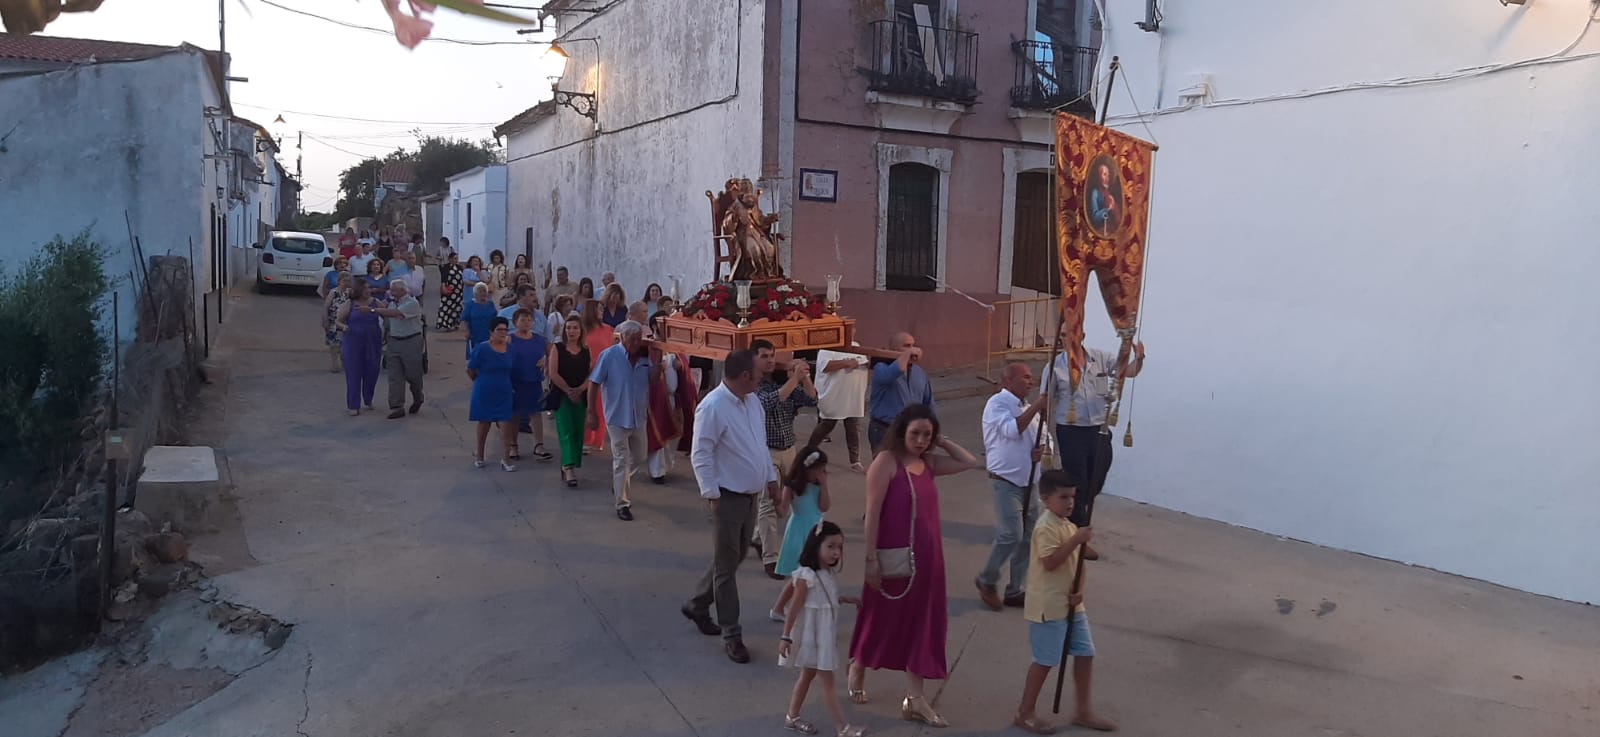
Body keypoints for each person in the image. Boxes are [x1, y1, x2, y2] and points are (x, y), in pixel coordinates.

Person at [847, 404, 978, 728]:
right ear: (901, 431)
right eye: (915, 433)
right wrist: (870, 560)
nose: (920, 440)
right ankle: (859, 663)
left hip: (929, 558)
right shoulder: (886, 462)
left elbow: (969, 462)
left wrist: (943, 441)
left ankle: (915, 699)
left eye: (926, 435)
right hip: (893, 557)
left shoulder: (928, 462)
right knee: (882, 617)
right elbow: (872, 513)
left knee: (922, 623)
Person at [683, 349, 777, 664]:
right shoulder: (712, 406)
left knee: (734, 558)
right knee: (726, 567)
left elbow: (759, 446)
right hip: (726, 496)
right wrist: (711, 494)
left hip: (750, 495)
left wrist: (772, 479)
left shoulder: (753, 402)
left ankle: (697, 603)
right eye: (758, 371)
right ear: (744, 376)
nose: (764, 373)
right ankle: (732, 634)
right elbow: (701, 453)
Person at [1012, 470, 1117, 734]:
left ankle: (1083, 711)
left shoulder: (1068, 525)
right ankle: (1024, 712)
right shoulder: (1046, 526)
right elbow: (1051, 562)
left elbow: (1080, 559)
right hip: (1050, 605)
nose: (1070, 502)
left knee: (1085, 654)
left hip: (1072, 605)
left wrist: (1080, 587)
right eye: (1063, 497)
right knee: (1045, 660)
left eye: (1072, 496)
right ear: (1046, 499)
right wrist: (1076, 540)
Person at [1049, 332, 1145, 560]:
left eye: (1070, 333)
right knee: (1078, 484)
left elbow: (1127, 372)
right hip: (1072, 432)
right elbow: (1048, 401)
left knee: (1095, 482)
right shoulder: (1055, 368)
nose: (1066, 338)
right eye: (1062, 335)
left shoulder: (1100, 358)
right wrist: (1045, 438)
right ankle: (1077, 540)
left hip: (1098, 431)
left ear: (1081, 334)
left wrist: (1138, 359)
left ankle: (1070, 525)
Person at [778, 520, 866, 737]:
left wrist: (845, 599)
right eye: (831, 546)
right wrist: (786, 636)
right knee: (827, 682)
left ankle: (792, 716)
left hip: (822, 635)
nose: (836, 552)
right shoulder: (806, 575)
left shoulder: (827, 573)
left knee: (807, 676)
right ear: (816, 545)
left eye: (839, 547)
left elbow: (826, 599)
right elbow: (795, 607)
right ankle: (842, 728)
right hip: (814, 637)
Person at [976, 361, 1051, 611]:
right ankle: (987, 579)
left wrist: (1042, 451)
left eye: (1032, 377)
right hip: (1006, 482)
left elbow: (1046, 438)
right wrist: (1038, 407)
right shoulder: (997, 405)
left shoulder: (1028, 408)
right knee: (1011, 534)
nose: (1031, 381)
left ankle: (1015, 589)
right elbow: (1011, 430)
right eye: (1026, 377)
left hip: (1029, 481)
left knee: (1027, 538)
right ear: (1008, 381)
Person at [754, 342, 818, 579]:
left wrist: (805, 377)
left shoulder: (784, 383)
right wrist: (794, 379)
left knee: (795, 499)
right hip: (766, 452)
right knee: (769, 504)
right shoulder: (754, 386)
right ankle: (771, 558)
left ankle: (757, 537)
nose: (770, 360)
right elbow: (770, 401)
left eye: (772, 356)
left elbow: (812, 400)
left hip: (789, 450)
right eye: (764, 356)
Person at [587, 320, 660, 522]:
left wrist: (658, 361)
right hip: (617, 416)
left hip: (638, 416)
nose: (636, 343)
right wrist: (591, 411)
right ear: (622, 337)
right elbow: (594, 383)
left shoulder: (645, 357)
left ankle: (620, 482)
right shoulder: (609, 355)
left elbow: (653, 380)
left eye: (639, 339)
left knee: (639, 456)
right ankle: (622, 503)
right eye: (632, 339)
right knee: (621, 459)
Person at [768, 447, 830, 620]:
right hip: (799, 530)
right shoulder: (793, 485)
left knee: (807, 575)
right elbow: (782, 511)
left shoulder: (819, 484)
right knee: (802, 575)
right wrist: (775, 500)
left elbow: (824, 506)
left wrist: (824, 484)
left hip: (817, 530)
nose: (822, 473)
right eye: (819, 469)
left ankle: (782, 608)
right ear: (808, 468)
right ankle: (782, 609)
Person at [645, 313, 696, 483]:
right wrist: (659, 368)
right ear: (654, 327)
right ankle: (657, 471)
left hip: (674, 398)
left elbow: (685, 368)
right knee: (659, 431)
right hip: (657, 399)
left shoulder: (674, 345)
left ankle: (666, 465)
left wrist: (680, 366)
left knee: (674, 434)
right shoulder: (650, 345)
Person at [807, 345, 870, 473]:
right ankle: (808, 452)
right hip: (835, 395)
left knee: (853, 427)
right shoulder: (828, 349)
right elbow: (824, 366)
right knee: (827, 425)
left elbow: (865, 364)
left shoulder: (856, 347)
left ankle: (855, 461)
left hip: (852, 396)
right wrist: (847, 363)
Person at [868, 332, 935, 452]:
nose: (913, 349)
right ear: (893, 349)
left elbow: (928, 403)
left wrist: (933, 428)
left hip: (912, 430)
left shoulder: (919, 373)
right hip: (885, 429)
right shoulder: (881, 368)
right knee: (886, 469)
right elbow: (893, 373)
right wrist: (907, 354)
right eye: (907, 346)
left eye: (913, 345)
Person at [468, 317, 518, 471]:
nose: (503, 333)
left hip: (504, 389)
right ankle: (480, 455)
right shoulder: (482, 348)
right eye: (499, 330)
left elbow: (513, 368)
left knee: (506, 423)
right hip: (484, 388)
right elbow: (471, 369)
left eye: (505, 330)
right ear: (491, 332)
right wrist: (479, 380)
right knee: (484, 423)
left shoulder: (510, 349)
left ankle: (506, 458)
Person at [371, 280, 426, 420]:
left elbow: (395, 314)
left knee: (413, 375)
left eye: (394, 290)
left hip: (411, 341)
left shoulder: (412, 303)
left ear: (403, 291)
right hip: (394, 341)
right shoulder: (391, 303)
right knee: (395, 376)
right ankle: (397, 406)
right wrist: (384, 336)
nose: (391, 292)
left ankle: (418, 396)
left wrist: (373, 310)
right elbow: (388, 322)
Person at [548, 314, 590, 487]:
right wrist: (568, 391)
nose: (572, 331)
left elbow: (591, 373)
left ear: (581, 331)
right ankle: (568, 466)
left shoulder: (586, 350)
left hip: (581, 394)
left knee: (578, 430)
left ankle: (571, 463)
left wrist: (580, 389)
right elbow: (553, 373)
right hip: (562, 394)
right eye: (569, 328)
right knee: (566, 430)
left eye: (575, 328)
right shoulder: (557, 348)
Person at [509, 308, 552, 463]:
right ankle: (513, 445)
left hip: (534, 380)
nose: (526, 322)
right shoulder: (510, 339)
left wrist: (546, 361)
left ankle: (539, 445)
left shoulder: (539, 339)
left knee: (535, 413)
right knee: (514, 414)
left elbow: (552, 353)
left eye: (529, 319)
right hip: (515, 380)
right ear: (515, 322)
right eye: (522, 320)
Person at [334, 279, 383, 416]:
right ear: (358, 290)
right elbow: (338, 320)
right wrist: (344, 327)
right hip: (353, 341)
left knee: (372, 371)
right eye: (365, 288)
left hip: (373, 341)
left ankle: (368, 398)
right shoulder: (349, 304)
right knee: (353, 374)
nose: (368, 290)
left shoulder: (375, 303)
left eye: (369, 288)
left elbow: (386, 315)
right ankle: (353, 405)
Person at [581, 301, 614, 452]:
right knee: (587, 405)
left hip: (604, 371)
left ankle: (597, 440)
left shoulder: (608, 329)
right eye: (599, 309)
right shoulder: (582, 330)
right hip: (585, 371)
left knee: (601, 405)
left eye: (602, 309)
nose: (602, 311)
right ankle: (585, 439)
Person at [321, 271, 353, 373]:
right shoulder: (333, 292)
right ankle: (335, 364)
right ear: (339, 281)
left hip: (346, 321)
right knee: (334, 344)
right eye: (344, 280)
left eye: (348, 281)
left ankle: (345, 363)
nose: (346, 283)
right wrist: (325, 320)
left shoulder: (350, 293)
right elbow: (326, 307)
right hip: (333, 321)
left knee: (345, 344)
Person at [462, 283, 498, 359]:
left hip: (488, 333)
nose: (483, 293)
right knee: (476, 355)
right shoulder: (470, 305)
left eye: (484, 291)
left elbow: (495, 318)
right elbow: (465, 319)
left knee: (489, 355)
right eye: (480, 291)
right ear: (475, 293)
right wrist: (466, 331)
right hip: (475, 334)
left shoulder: (490, 304)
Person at [436, 247, 464, 331]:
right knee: (446, 307)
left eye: (457, 258)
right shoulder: (446, 267)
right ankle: (445, 324)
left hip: (458, 291)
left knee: (457, 308)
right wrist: (443, 287)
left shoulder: (459, 267)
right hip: (449, 291)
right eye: (454, 258)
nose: (456, 260)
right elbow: (443, 278)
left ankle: (455, 323)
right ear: (450, 259)